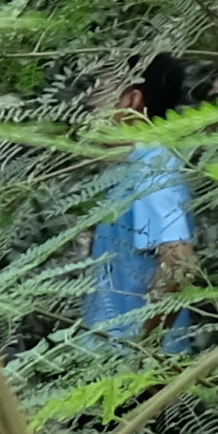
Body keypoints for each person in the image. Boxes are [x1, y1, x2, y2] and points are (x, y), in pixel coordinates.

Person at [84, 54, 196, 348]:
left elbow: (179, 260)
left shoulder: (152, 167)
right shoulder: (136, 166)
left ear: (131, 101)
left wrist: (144, 347)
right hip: (112, 365)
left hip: (134, 374)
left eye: (99, 92)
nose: (90, 105)